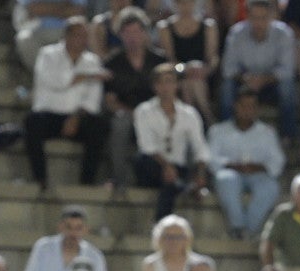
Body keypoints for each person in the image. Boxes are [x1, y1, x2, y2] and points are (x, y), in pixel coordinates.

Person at [25, 17, 108, 190]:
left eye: (85, 36)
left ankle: (87, 182)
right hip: (49, 114)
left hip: (77, 116)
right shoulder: (48, 55)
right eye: (77, 35)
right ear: (67, 36)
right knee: (32, 122)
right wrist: (86, 76)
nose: (82, 40)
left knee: (99, 126)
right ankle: (40, 179)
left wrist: (76, 118)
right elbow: (54, 81)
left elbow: (92, 98)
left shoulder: (92, 61)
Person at [133, 63, 210, 222]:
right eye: (161, 82)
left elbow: (199, 146)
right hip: (152, 165)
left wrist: (201, 173)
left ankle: (161, 223)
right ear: (155, 86)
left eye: (169, 81)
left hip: (177, 168)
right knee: (146, 162)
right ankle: (183, 187)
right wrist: (166, 166)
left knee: (170, 183)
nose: (165, 87)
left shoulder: (189, 114)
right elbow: (146, 145)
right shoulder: (143, 111)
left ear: (176, 85)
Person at [102, 8, 168, 191]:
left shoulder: (159, 61)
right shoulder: (112, 63)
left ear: (145, 33)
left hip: (155, 112)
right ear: (120, 34)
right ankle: (119, 178)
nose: (133, 37)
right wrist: (133, 113)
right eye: (127, 32)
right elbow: (110, 100)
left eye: (137, 31)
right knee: (120, 122)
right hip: (127, 113)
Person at [207, 86, 284, 240]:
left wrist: (259, 166)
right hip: (230, 172)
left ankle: (249, 230)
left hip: (257, 174)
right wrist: (231, 165)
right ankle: (238, 226)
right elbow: (211, 158)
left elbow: (277, 161)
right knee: (225, 179)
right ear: (236, 106)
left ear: (257, 109)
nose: (247, 110)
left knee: (270, 187)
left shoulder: (267, 132)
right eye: (244, 106)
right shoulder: (218, 131)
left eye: (252, 106)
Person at [218, 0, 298, 137]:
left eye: (263, 18)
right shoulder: (236, 33)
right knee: (226, 87)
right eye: (255, 18)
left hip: (272, 83)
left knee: (287, 86)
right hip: (244, 82)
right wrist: (245, 78)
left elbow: (287, 70)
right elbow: (228, 69)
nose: (259, 23)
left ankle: (288, 136)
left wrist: (263, 80)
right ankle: (226, 133)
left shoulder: (284, 34)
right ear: (247, 16)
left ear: (272, 16)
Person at [22, 205, 110, 271]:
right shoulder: (43, 248)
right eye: (69, 227)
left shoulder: (95, 255)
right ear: (61, 227)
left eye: (78, 228)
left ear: (86, 229)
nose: (73, 233)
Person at [156, 0, 218, 122]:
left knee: (193, 81)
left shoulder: (208, 26)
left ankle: (191, 120)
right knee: (188, 82)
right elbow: (170, 59)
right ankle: (207, 118)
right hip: (178, 74)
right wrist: (183, 69)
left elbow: (212, 58)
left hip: (203, 76)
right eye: (181, 3)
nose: (186, 6)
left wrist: (204, 70)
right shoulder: (165, 28)